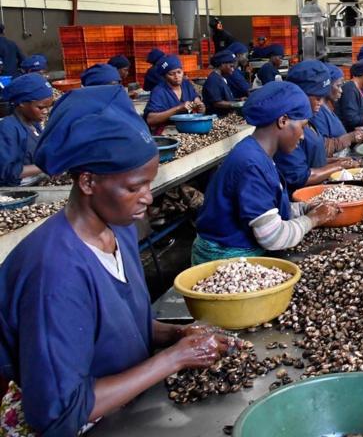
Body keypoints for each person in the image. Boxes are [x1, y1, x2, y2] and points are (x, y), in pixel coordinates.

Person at [0, 85, 237, 436]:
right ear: (88, 181)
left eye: (149, 184)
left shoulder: (119, 230)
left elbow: (116, 325)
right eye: (133, 188)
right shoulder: (55, 273)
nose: (147, 199)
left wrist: (176, 335)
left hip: (121, 404)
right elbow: (58, 413)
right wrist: (173, 358)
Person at [192, 81, 340, 264]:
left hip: (240, 249)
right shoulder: (252, 164)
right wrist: (313, 219)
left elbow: (267, 208)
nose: (302, 136)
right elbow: (272, 238)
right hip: (225, 261)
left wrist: (304, 208)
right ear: (283, 121)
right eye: (302, 126)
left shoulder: (258, 153)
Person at [275, 61, 359, 192]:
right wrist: (339, 166)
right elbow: (299, 176)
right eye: (317, 98)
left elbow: (313, 159)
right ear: (301, 95)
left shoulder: (309, 120)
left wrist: (339, 162)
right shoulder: (289, 128)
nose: (321, 103)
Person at [0, 74, 52, 186]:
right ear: (22, 103)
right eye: (41, 107)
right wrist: (46, 166)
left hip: (36, 180)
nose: (46, 111)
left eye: (49, 107)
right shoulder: (8, 128)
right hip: (14, 190)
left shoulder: (34, 123)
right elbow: (7, 172)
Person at [312, 63, 363, 156]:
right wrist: (350, 137)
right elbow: (322, 149)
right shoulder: (318, 112)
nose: (341, 90)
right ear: (326, 86)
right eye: (338, 86)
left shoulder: (328, 108)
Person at [143, 55, 204, 134]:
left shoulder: (186, 84)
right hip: (167, 131)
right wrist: (178, 108)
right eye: (171, 74)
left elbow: (197, 101)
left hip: (189, 127)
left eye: (179, 72)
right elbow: (150, 119)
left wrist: (201, 107)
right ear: (164, 76)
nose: (177, 76)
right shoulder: (159, 91)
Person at [202, 50, 237, 116]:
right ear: (222, 64)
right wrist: (235, 104)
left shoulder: (221, 78)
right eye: (231, 66)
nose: (233, 69)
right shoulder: (213, 80)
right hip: (217, 118)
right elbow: (217, 102)